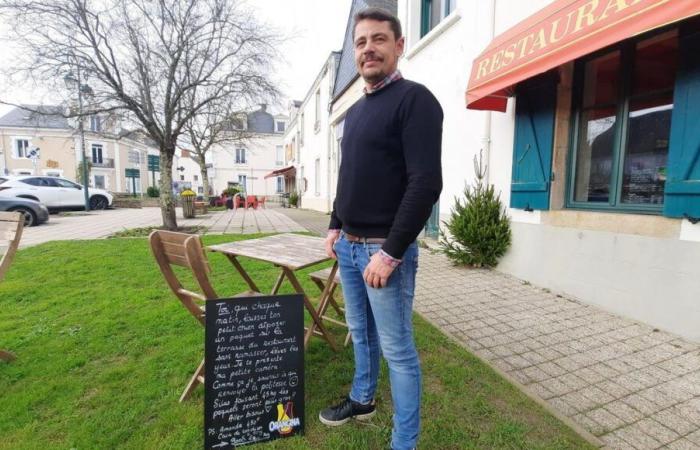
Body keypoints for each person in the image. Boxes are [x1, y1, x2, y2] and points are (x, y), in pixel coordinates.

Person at [318, 7, 443, 450]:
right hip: (349, 249)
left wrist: (390, 253)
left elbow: (426, 183)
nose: (368, 48)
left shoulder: (416, 100)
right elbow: (349, 175)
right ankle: (362, 398)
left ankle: (403, 443)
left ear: (399, 45)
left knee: (398, 351)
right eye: (360, 42)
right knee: (361, 333)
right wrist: (335, 224)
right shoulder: (355, 112)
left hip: (383, 251)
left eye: (378, 39)